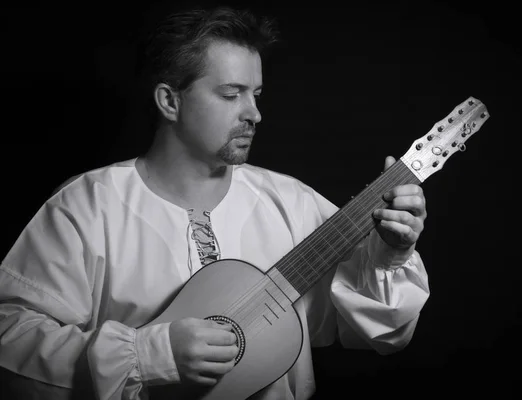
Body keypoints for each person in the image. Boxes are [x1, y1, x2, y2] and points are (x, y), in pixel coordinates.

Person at [0, 5, 430, 400]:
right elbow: (10, 339)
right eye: (231, 94)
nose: (254, 114)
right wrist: (150, 355)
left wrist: (391, 255)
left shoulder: (292, 202)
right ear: (170, 101)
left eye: (256, 94)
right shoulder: (87, 206)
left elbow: (383, 334)